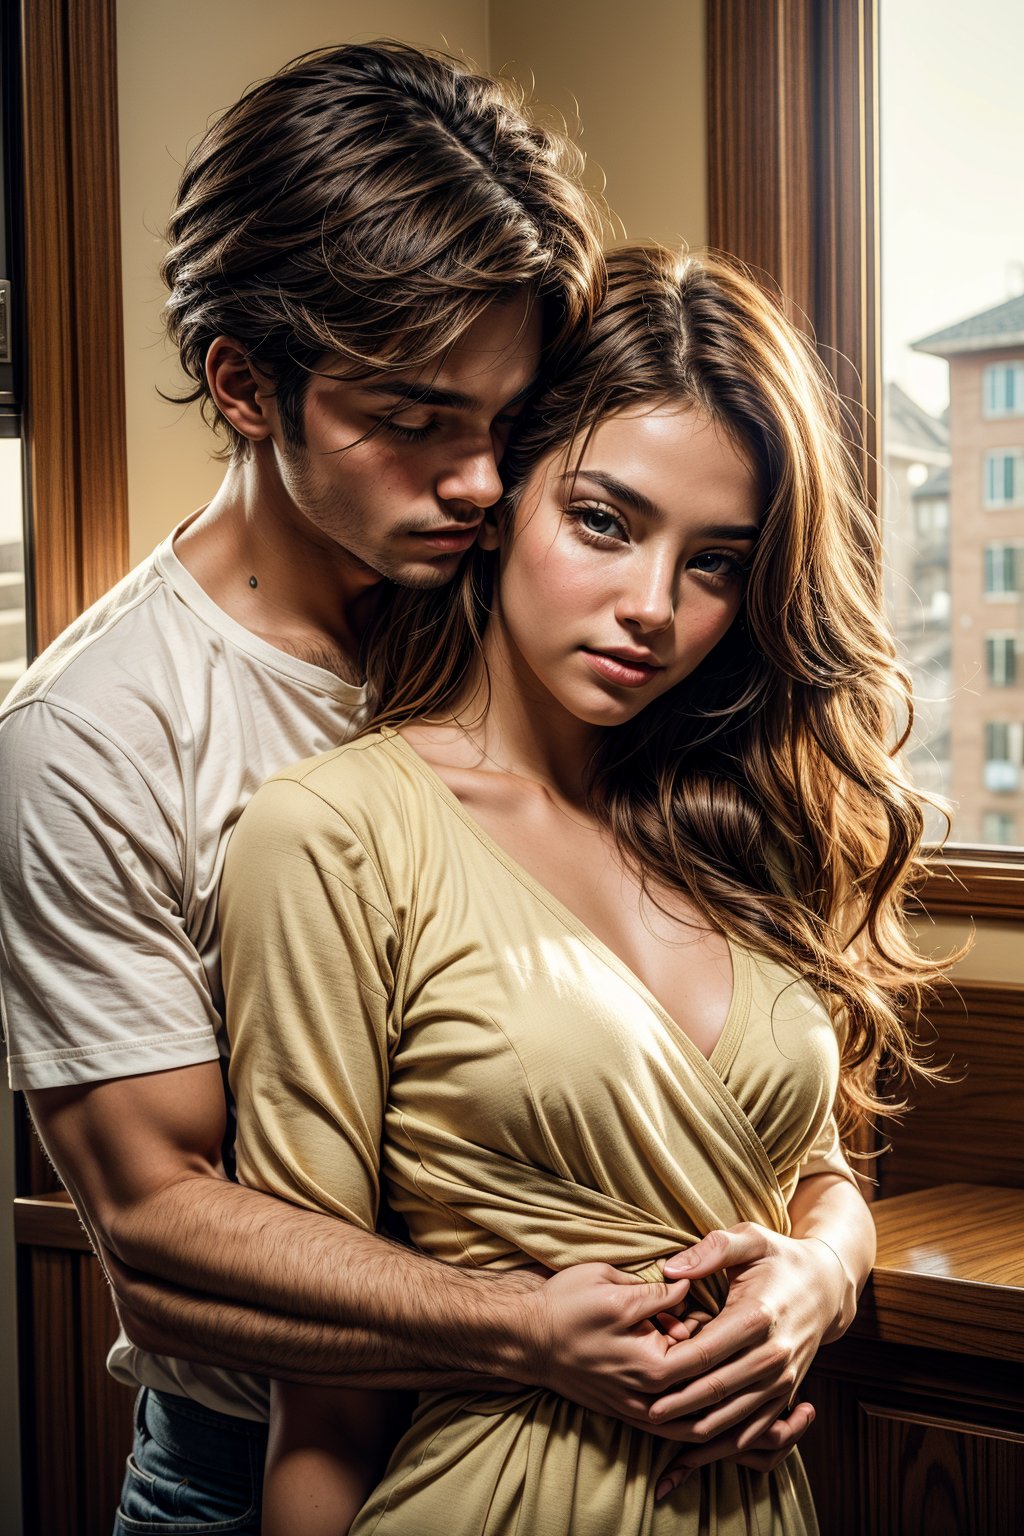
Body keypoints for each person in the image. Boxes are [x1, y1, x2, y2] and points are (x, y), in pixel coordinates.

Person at [0, 44, 841, 1535]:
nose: (473, 483)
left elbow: (789, 1133)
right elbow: (156, 1221)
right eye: (413, 419)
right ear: (245, 386)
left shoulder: (549, 623)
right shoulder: (95, 735)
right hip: (260, 1464)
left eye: (507, 425)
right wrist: (522, 1328)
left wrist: (818, 1272)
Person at [221, 243, 941, 1535]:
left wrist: (823, 1276)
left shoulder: (742, 826)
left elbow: (820, 1169)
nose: (652, 608)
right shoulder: (332, 837)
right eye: (604, 522)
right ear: (500, 502)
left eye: (715, 561)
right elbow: (319, 1385)